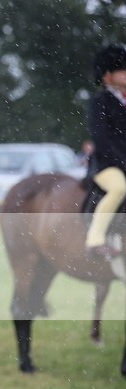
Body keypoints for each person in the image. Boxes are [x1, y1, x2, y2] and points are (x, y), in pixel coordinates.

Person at [84, 44, 126, 259]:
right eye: (123, 70)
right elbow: (102, 140)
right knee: (119, 188)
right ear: (108, 76)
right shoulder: (99, 103)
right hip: (107, 165)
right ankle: (95, 239)